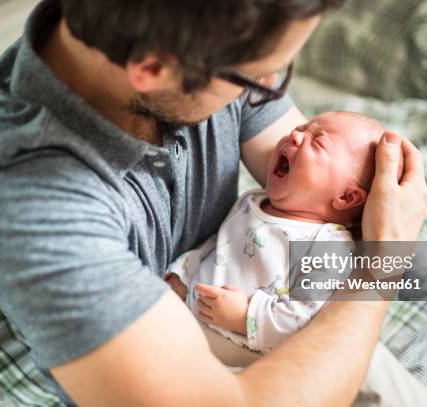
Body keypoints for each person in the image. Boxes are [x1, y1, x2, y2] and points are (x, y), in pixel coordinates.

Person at [0, 0, 427, 405]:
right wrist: (380, 271)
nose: (273, 95)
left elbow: (317, 196)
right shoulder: (22, 197)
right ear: (152, 70)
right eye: (258, 78)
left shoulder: (204, 36)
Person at [165, 111, 404, 352]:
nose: (296, 135)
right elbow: (220, 246)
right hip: (181, 322)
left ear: (346, 196)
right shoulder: (252, 202)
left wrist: (245, 316)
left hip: (241, 353)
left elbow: (302, 319)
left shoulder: (328, 245)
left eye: (318, 142)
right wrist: (184, 273)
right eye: (302, 127)